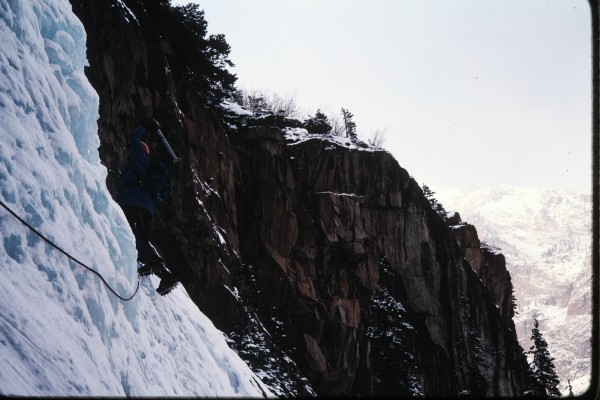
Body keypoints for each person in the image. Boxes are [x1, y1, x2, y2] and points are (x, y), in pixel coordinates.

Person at [117, 123, 178, 296]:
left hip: (133, 202)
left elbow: (135, 138)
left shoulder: (139, 157)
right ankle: (151, 265)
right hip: (146, 207)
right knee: (140, 238)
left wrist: (145, 126)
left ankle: (163, 272)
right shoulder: (146, 168)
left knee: (131, 237)